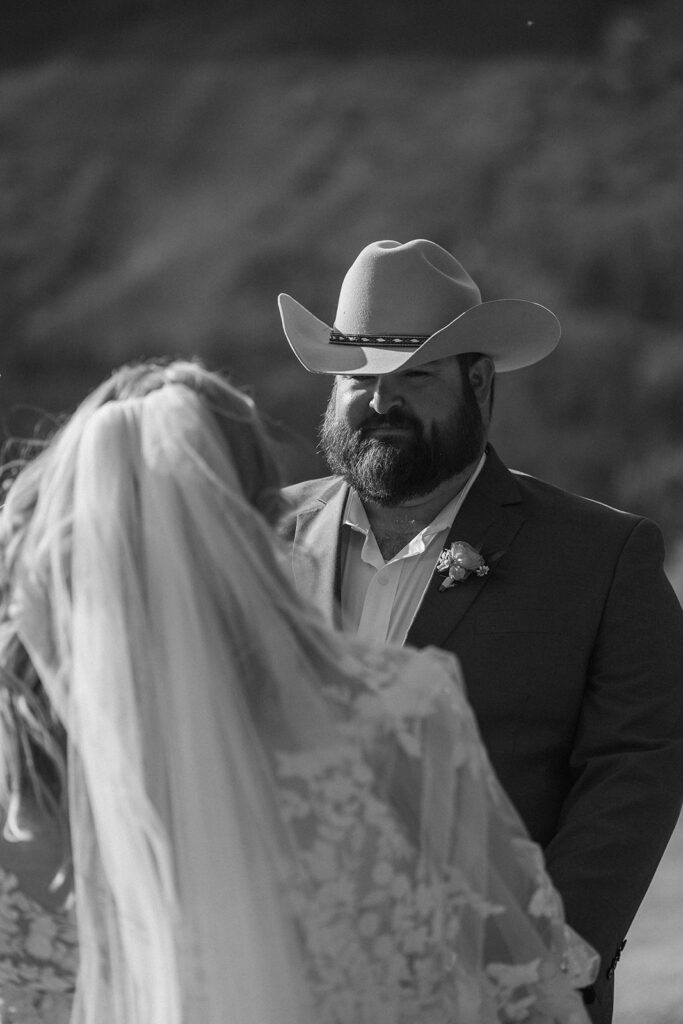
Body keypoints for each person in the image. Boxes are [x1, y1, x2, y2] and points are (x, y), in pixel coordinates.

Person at [0, 358, 598, 1024]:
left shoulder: (28, 771)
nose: (381, 397)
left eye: (415, 372)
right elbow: (522, 983)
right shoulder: (401, 709)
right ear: (259, 520)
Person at [277, 238, 683, 1023]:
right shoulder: (255, 537)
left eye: (413, 377)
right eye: (356, 379)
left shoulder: (600, 558)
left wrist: (549, 959)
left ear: (479, 382)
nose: (379, 402)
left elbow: (639, 762)